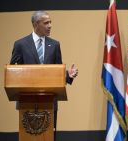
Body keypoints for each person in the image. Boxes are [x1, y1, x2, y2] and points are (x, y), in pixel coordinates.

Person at [9, 11, 78, 140]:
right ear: (35, 24)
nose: (50, 25)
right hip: (27, 101)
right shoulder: (20, 44)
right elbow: (13, 70)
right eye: (46, 23)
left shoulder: (55, 44)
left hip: (50, 101)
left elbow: (57, 71)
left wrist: (68, 75)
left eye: (50, 22)